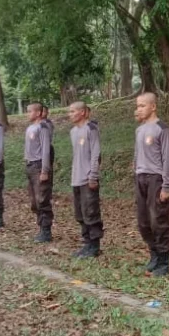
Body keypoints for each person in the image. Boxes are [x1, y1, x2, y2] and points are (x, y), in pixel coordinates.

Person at [134, 93, 169, 277]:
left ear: (153, 107)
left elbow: (167, 159)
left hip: (156, 179)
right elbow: (137, 155)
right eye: (138, 106)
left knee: (158, 220)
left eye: (142, 105)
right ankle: (154, 254)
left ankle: (164, 260)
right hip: (140, 178)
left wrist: (166, 186)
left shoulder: (161, 129)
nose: (138, 109)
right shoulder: (139, 129)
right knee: (143, 221)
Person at [69, 102, 103, 258]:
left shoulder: (91, 128)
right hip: (76, 178)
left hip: (88, 178)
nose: (70, 114)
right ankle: (87, 243)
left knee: (91, 211)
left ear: (82, 112)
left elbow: (96, 154)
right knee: (80, 213)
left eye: (73, 111)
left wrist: (93, 175)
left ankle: (94, 246)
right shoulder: (73, 131)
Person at [25, 103, 54, 242]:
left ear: (38, 113)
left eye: (30, 111)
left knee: (42, 199)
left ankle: (46, 231)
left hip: (39, 166)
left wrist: (45, 170)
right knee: (34, 201)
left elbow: (45, 150)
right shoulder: (30, 128)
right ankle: (41, 227)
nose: (27, 114)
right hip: (30, 165)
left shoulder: (42, 127)